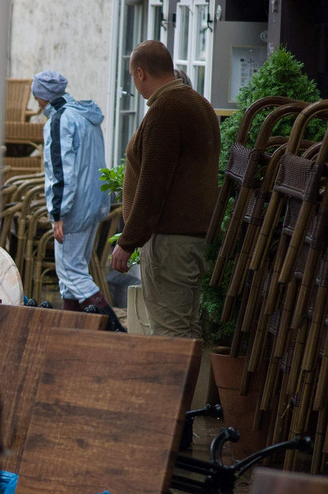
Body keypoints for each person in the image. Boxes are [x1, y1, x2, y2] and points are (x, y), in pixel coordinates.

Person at [111, 41, 219, 339]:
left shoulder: (165, 111)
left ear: (141, 73)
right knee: (189, 330)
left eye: (133, 77)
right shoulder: (200, 104)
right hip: (195, 238)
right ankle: (192, 387)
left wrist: (128, 241)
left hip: (171, 243)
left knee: (170, 334)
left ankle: (175, 387)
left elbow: (153, 185)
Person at [31, 70, 122, 330]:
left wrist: (57, 213)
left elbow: (60, 171)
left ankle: (113, 328)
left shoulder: (60, 120)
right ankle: (69, 331)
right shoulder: (84, 115)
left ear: (41, 96)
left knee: (72, 273)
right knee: (70, 275)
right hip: (94, 203)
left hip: (74, 209)